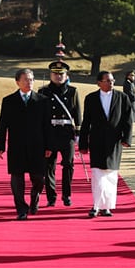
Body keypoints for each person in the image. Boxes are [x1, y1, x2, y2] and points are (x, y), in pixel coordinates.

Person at [0, 68, 53, 220]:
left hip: (38, 146)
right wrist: (0, 146)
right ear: (17, 82)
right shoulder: (8, 101)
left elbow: (47, 125)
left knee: (39, 179)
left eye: (32, 79)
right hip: (17, 146)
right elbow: (3, 124)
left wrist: (49, 146)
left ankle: (35, 196)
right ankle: (21, 209)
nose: (30, 82)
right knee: (16, 180)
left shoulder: (42, 100)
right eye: (26, 79)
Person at [79, 71, 134, 217]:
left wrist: (127, 139)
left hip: (114, 141)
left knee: (110, 174)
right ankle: (96, 206)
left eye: (112, 80)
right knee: (98, 173)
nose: (111, 83)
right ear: (99, 83)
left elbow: (128, 119)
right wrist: (83, 143)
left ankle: (107, 207)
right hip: (96, 140)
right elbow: (86, 122)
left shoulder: (122, 97)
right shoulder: (90, 98)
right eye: (107, 81)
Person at [38, 60, 81, 207]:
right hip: (49, 133)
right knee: (49, 166)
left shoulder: (72, 91)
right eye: (55, 74)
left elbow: (77, 114)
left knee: (68, 165)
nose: (58, 77)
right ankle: (51, 197)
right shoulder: (43, 91)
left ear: (66, 75)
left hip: (66, 133)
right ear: (50, 75)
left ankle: (67, 195)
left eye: (61, 74)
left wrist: (78, 135)